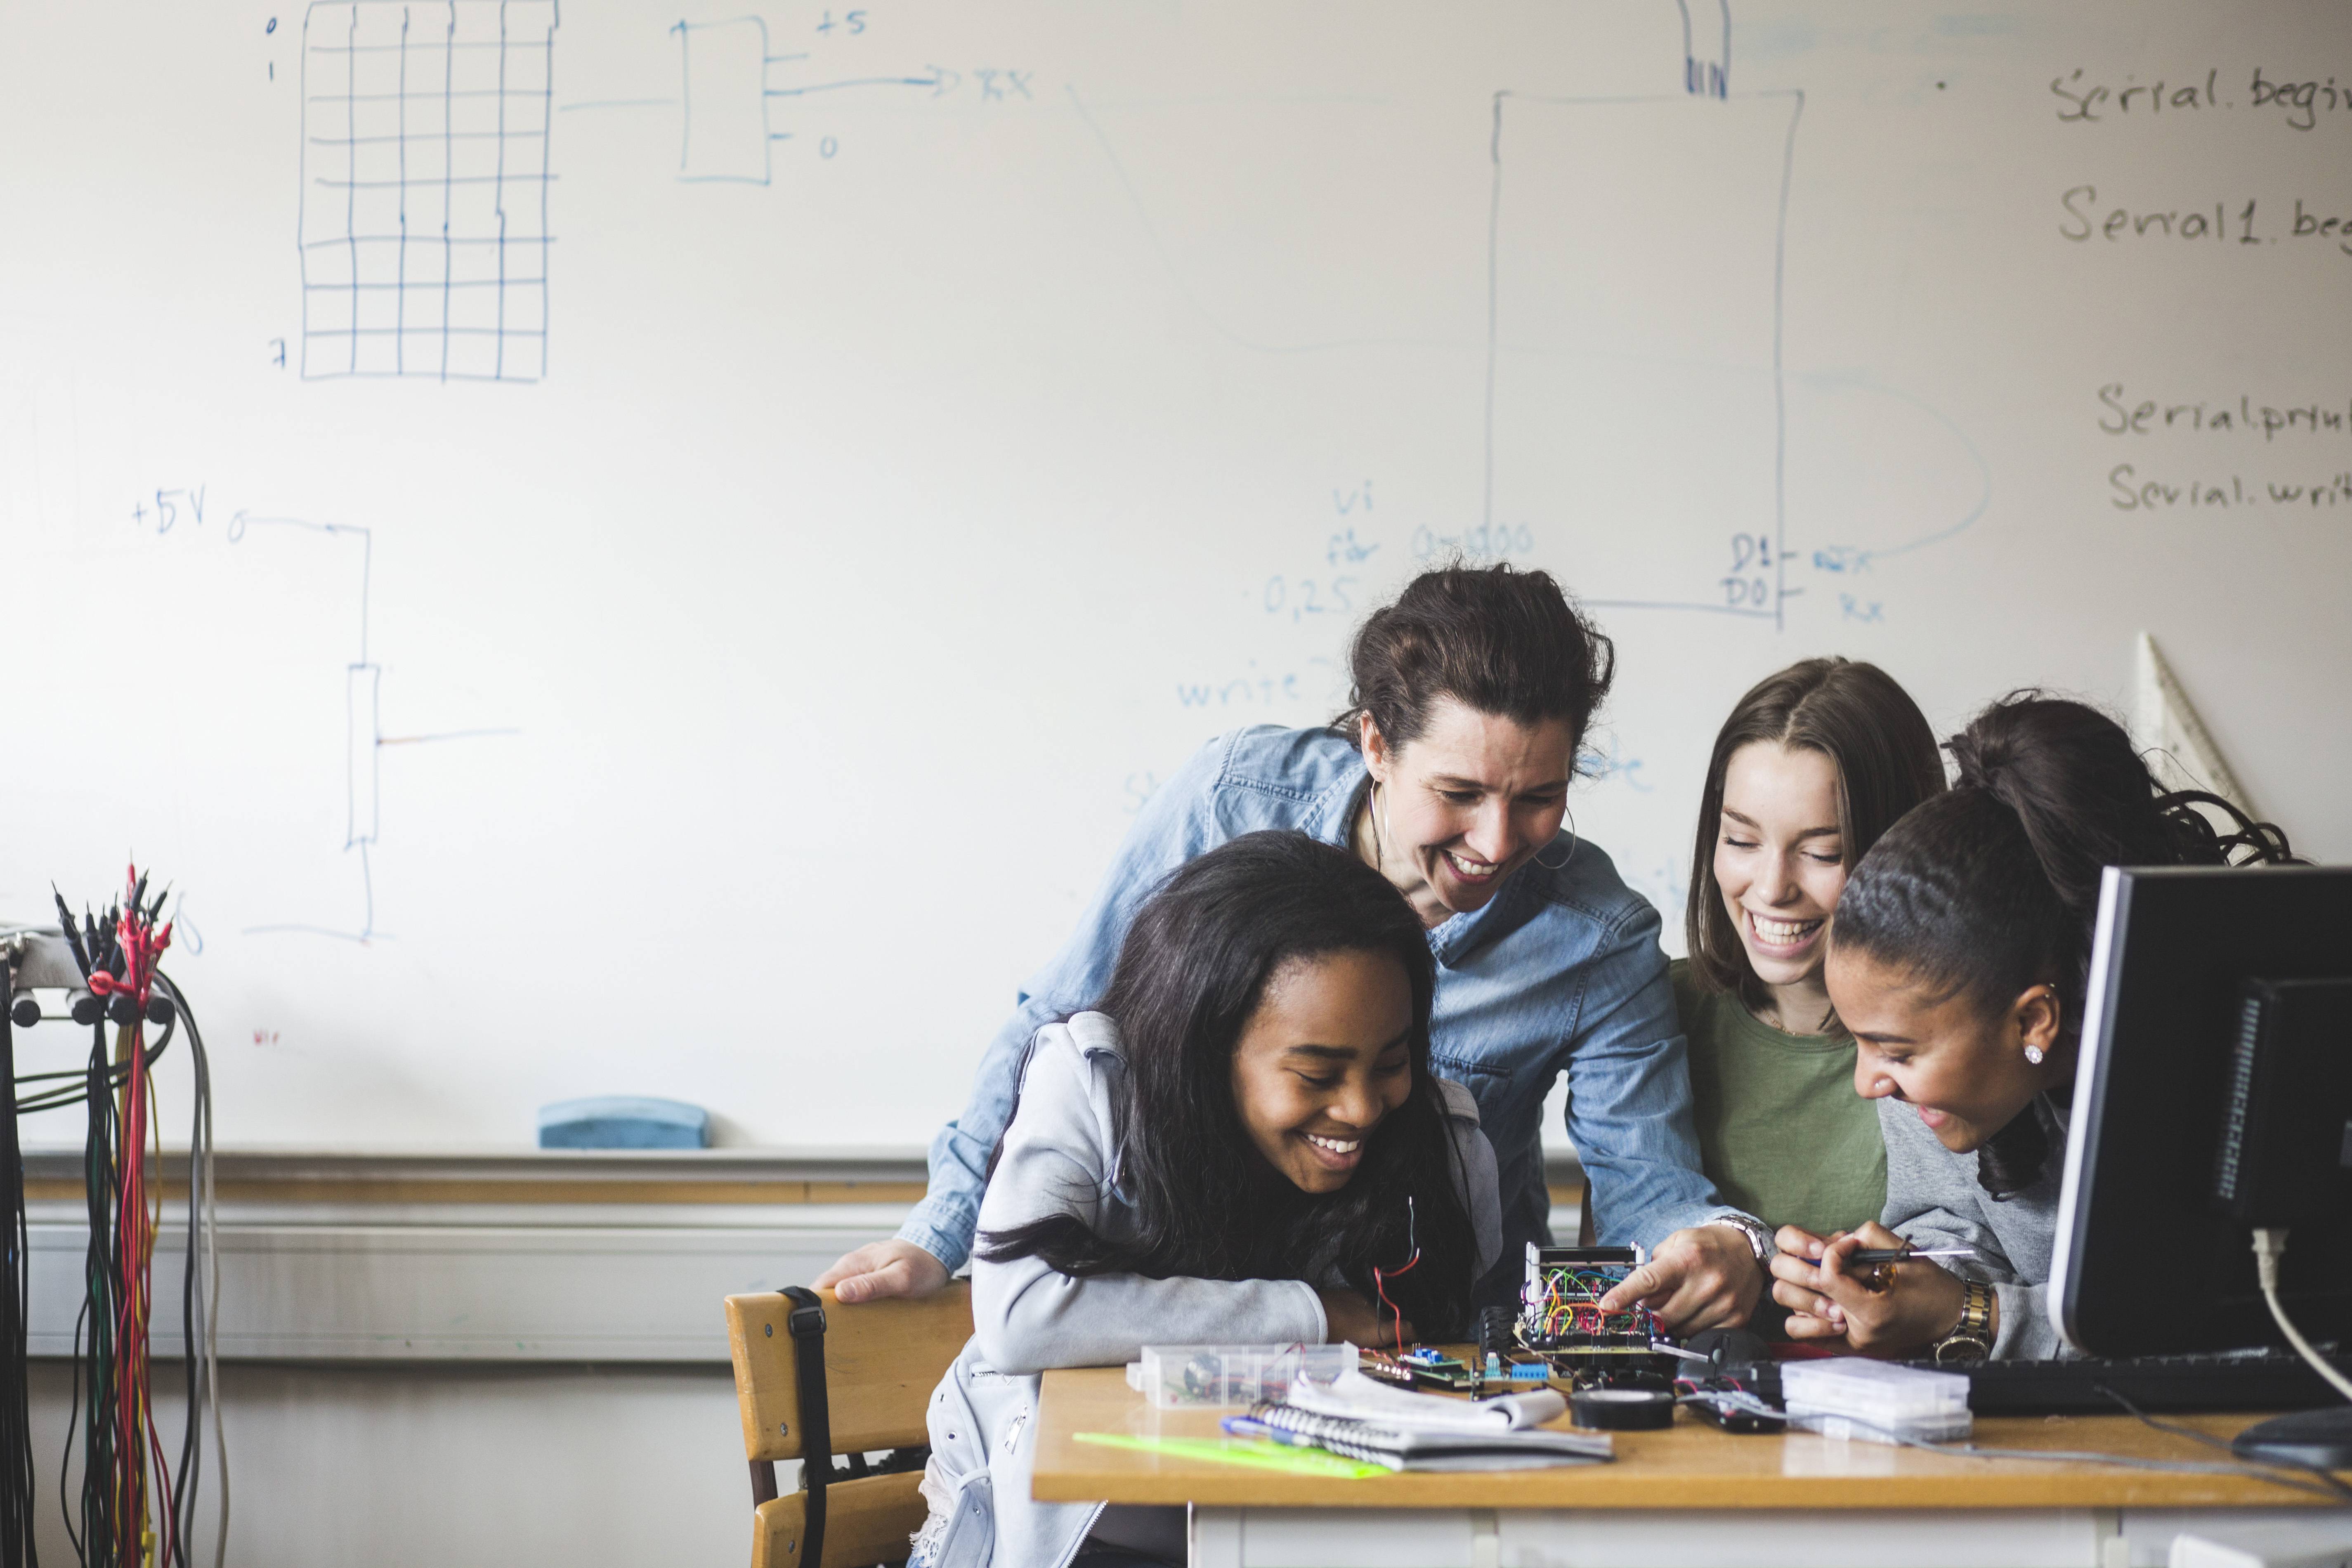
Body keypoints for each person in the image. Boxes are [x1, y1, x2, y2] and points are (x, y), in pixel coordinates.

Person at [820, 563, 1770, 1330]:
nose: (1494, 841)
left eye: (1537, 798)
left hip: (1427, 1339)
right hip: (1186, 1316)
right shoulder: (1229, 803)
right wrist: (942, 1231)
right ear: (1375, 743)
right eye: (1459, 793)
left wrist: (1718, 1245)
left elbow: (1650, 1187)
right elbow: (1057, 1024)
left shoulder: (1599, 935)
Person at [908, 831, 1500, 1568]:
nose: (1362, 1109)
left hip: (1311, 1535)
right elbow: (1025, 1316)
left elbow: (1448, 1353)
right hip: (1083, 1539)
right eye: (1316, 1076)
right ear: (1205, 1048)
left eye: (1393, 1062)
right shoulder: (1093, 1085)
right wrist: (1313, 1314)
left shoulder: (1440, 1145)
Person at [1766, 693, 2293, 1360]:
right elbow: (1961, 1232)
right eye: (1862, 1040)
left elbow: (2226, 1333)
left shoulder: (2222, 1078)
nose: (1868, 1081)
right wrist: (1905, 1287)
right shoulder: (1931, 1084)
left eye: (1895, 1053)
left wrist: (1975, 1316)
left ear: (2034, 1021)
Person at [1671, 658, 1944, 1239]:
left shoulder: (1956, 1042)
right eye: (1741, 840)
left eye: (1822, 854)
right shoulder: (1656, 1013)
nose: (1772, 889)